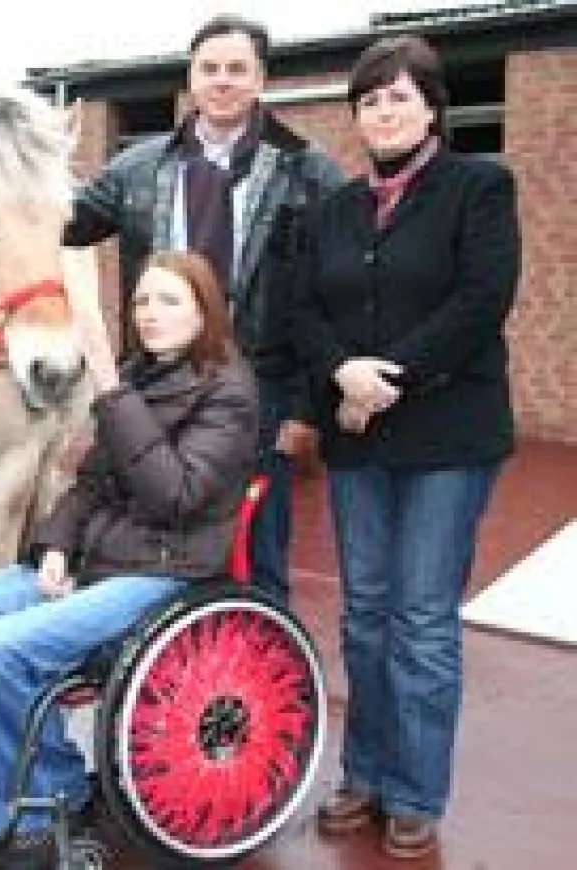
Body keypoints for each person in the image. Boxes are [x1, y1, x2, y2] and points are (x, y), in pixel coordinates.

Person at [0, 251, 258, 869]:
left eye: (170, 300)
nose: (151, 314)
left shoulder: (228, 391)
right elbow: (90, 486)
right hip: (95, 562)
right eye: (143, 300)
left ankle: (47, 797)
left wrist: (113, 391)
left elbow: (175, 495)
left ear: (205, 311)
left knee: (2, 648)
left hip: (165, 572)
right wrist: (55, 546)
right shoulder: (140, 376)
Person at [294, 35, 520, 860]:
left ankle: (416, 791)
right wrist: (339, 370)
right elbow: (304, 311)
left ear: (431, 107)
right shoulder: (331, 210)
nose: (383, 111)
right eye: (369, 100)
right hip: (359, 443)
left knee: (421, 621)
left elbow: (481, 299)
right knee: (364, 619)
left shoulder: (480, 187)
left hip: (447, 437)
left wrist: (384, 379)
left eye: (399, 97)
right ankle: (365, 775)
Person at [64, 13, 344, 605]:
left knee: (259, 543)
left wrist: (309, 409)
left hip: (264, 388)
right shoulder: (137, 169)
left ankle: (265, 674)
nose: (222, 80)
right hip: (160, 387)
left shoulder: (309, 170)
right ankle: (174, 668)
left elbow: (334, 296)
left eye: (236, 68)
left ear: (261, 78)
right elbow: (56, 228)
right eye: (208, 68)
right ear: (189, 79)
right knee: (156, 534)